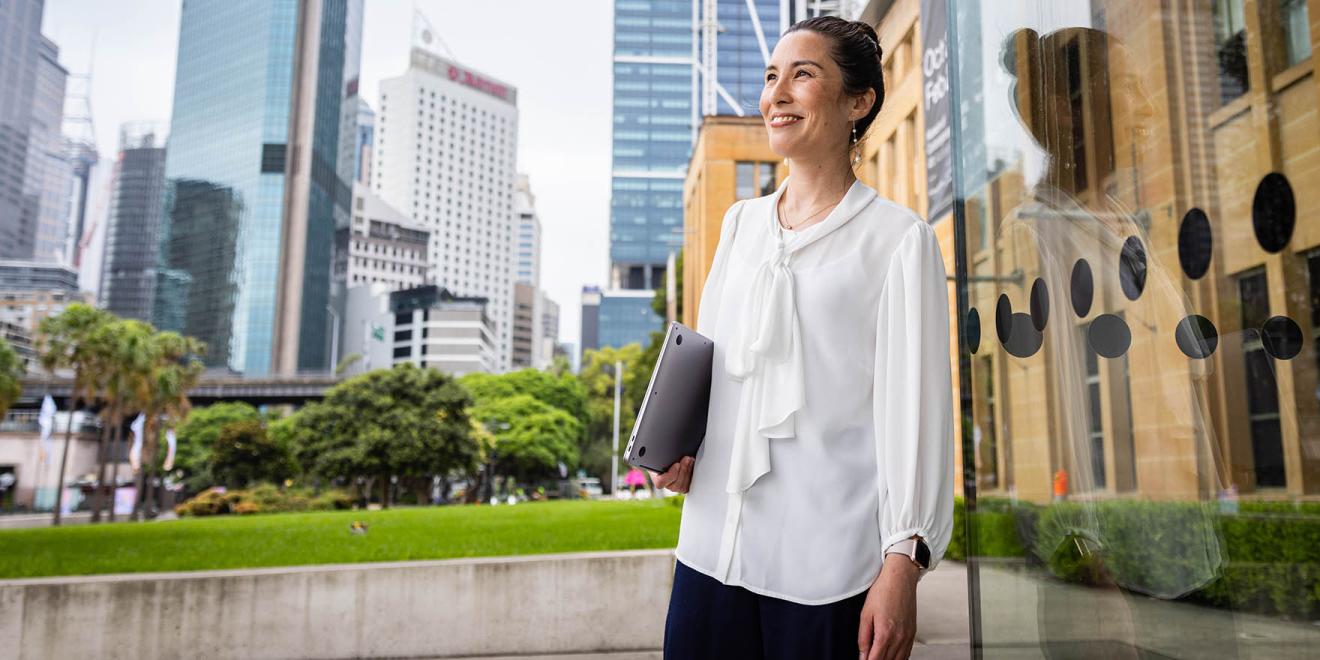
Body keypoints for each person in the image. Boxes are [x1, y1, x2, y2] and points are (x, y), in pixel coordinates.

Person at [647, 16, 954, 660]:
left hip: (825, 571)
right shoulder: (738, 225)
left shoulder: (898, 242)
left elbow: (914, 416)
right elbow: (710, 366)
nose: (776, 94)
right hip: (711, 552)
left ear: (858, 102)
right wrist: (684, 448)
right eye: (770, 77)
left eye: (803, 75)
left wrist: (904, 562)